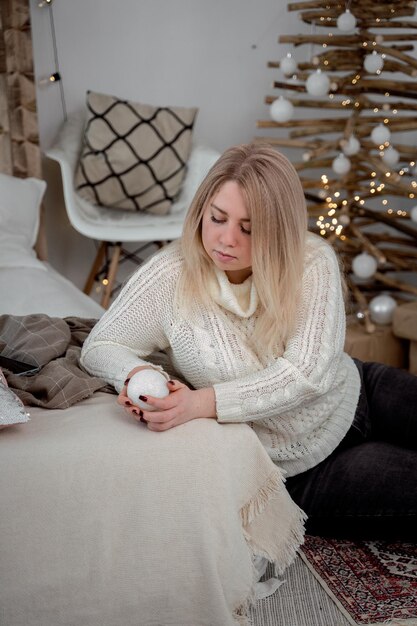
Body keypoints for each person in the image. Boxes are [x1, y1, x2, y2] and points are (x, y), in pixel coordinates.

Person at [80, 143, 417, 541]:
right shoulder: (170, 276)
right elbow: (101, 344)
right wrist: (139, 374)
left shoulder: (312, 260)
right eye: (217, 218)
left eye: (249, 228)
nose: (226, 240)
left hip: (360, 392)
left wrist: (202, 402)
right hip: (298, 469)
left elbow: (307, 373)